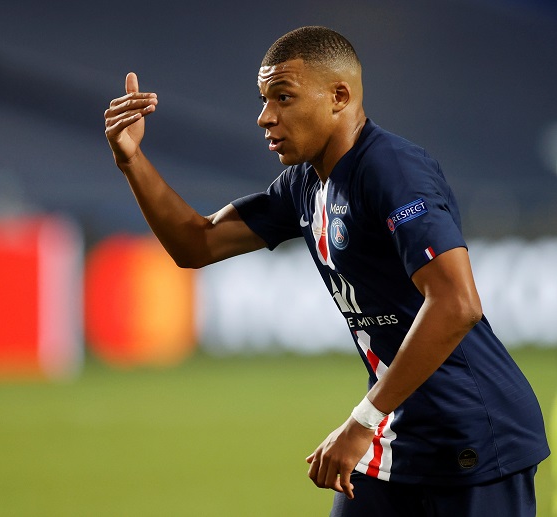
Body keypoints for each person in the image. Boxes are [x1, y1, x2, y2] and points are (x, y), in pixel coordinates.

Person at [104, 26, 549, 516]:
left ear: (339, 96)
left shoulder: (392, 170)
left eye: (283, 97)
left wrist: (361, 422)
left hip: (474, 437)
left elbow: (456, 304)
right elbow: (197, 242)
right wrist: (132, 160)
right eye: (263, 99)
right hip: (396, 430)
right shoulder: (303, 185)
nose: (265, 116)